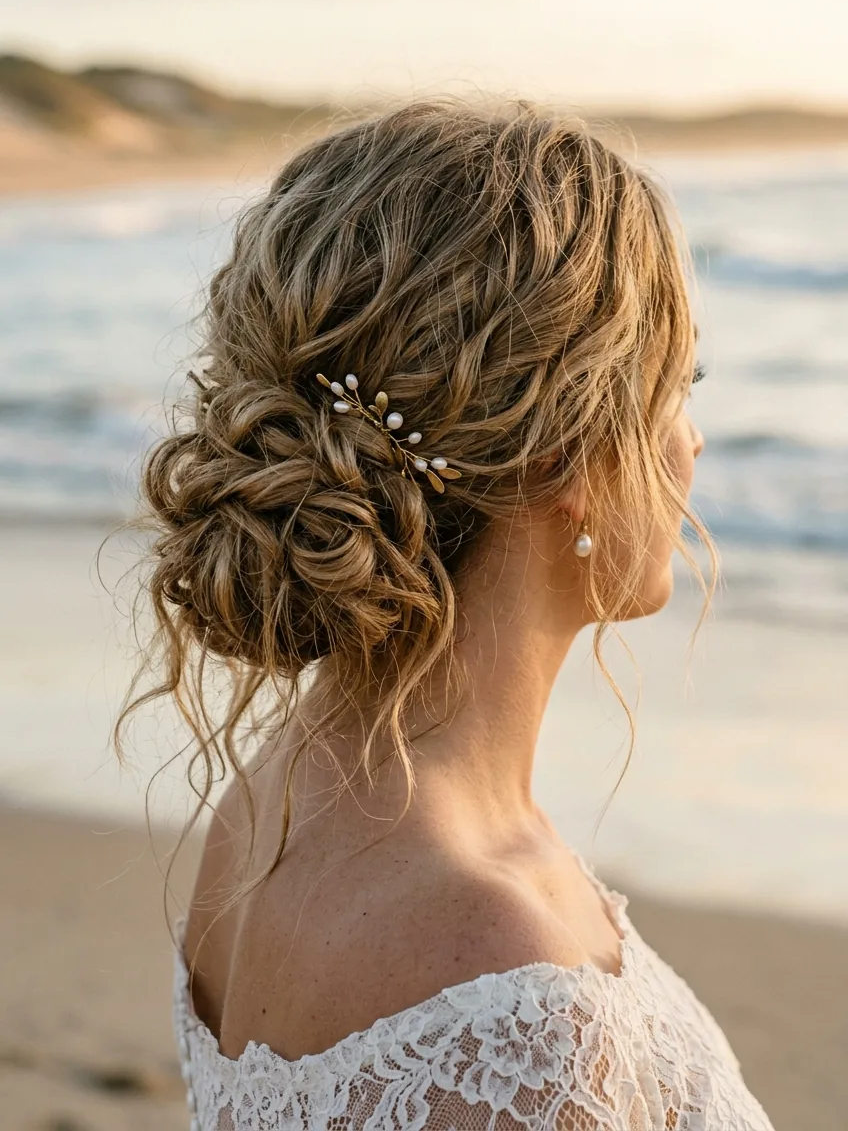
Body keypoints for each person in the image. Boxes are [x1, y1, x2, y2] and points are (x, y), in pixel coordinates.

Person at [121, 102, 775, 1129]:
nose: (691, 442)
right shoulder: (512, 989)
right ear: (568, 457)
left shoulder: (267, 807)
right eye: (676, 386)